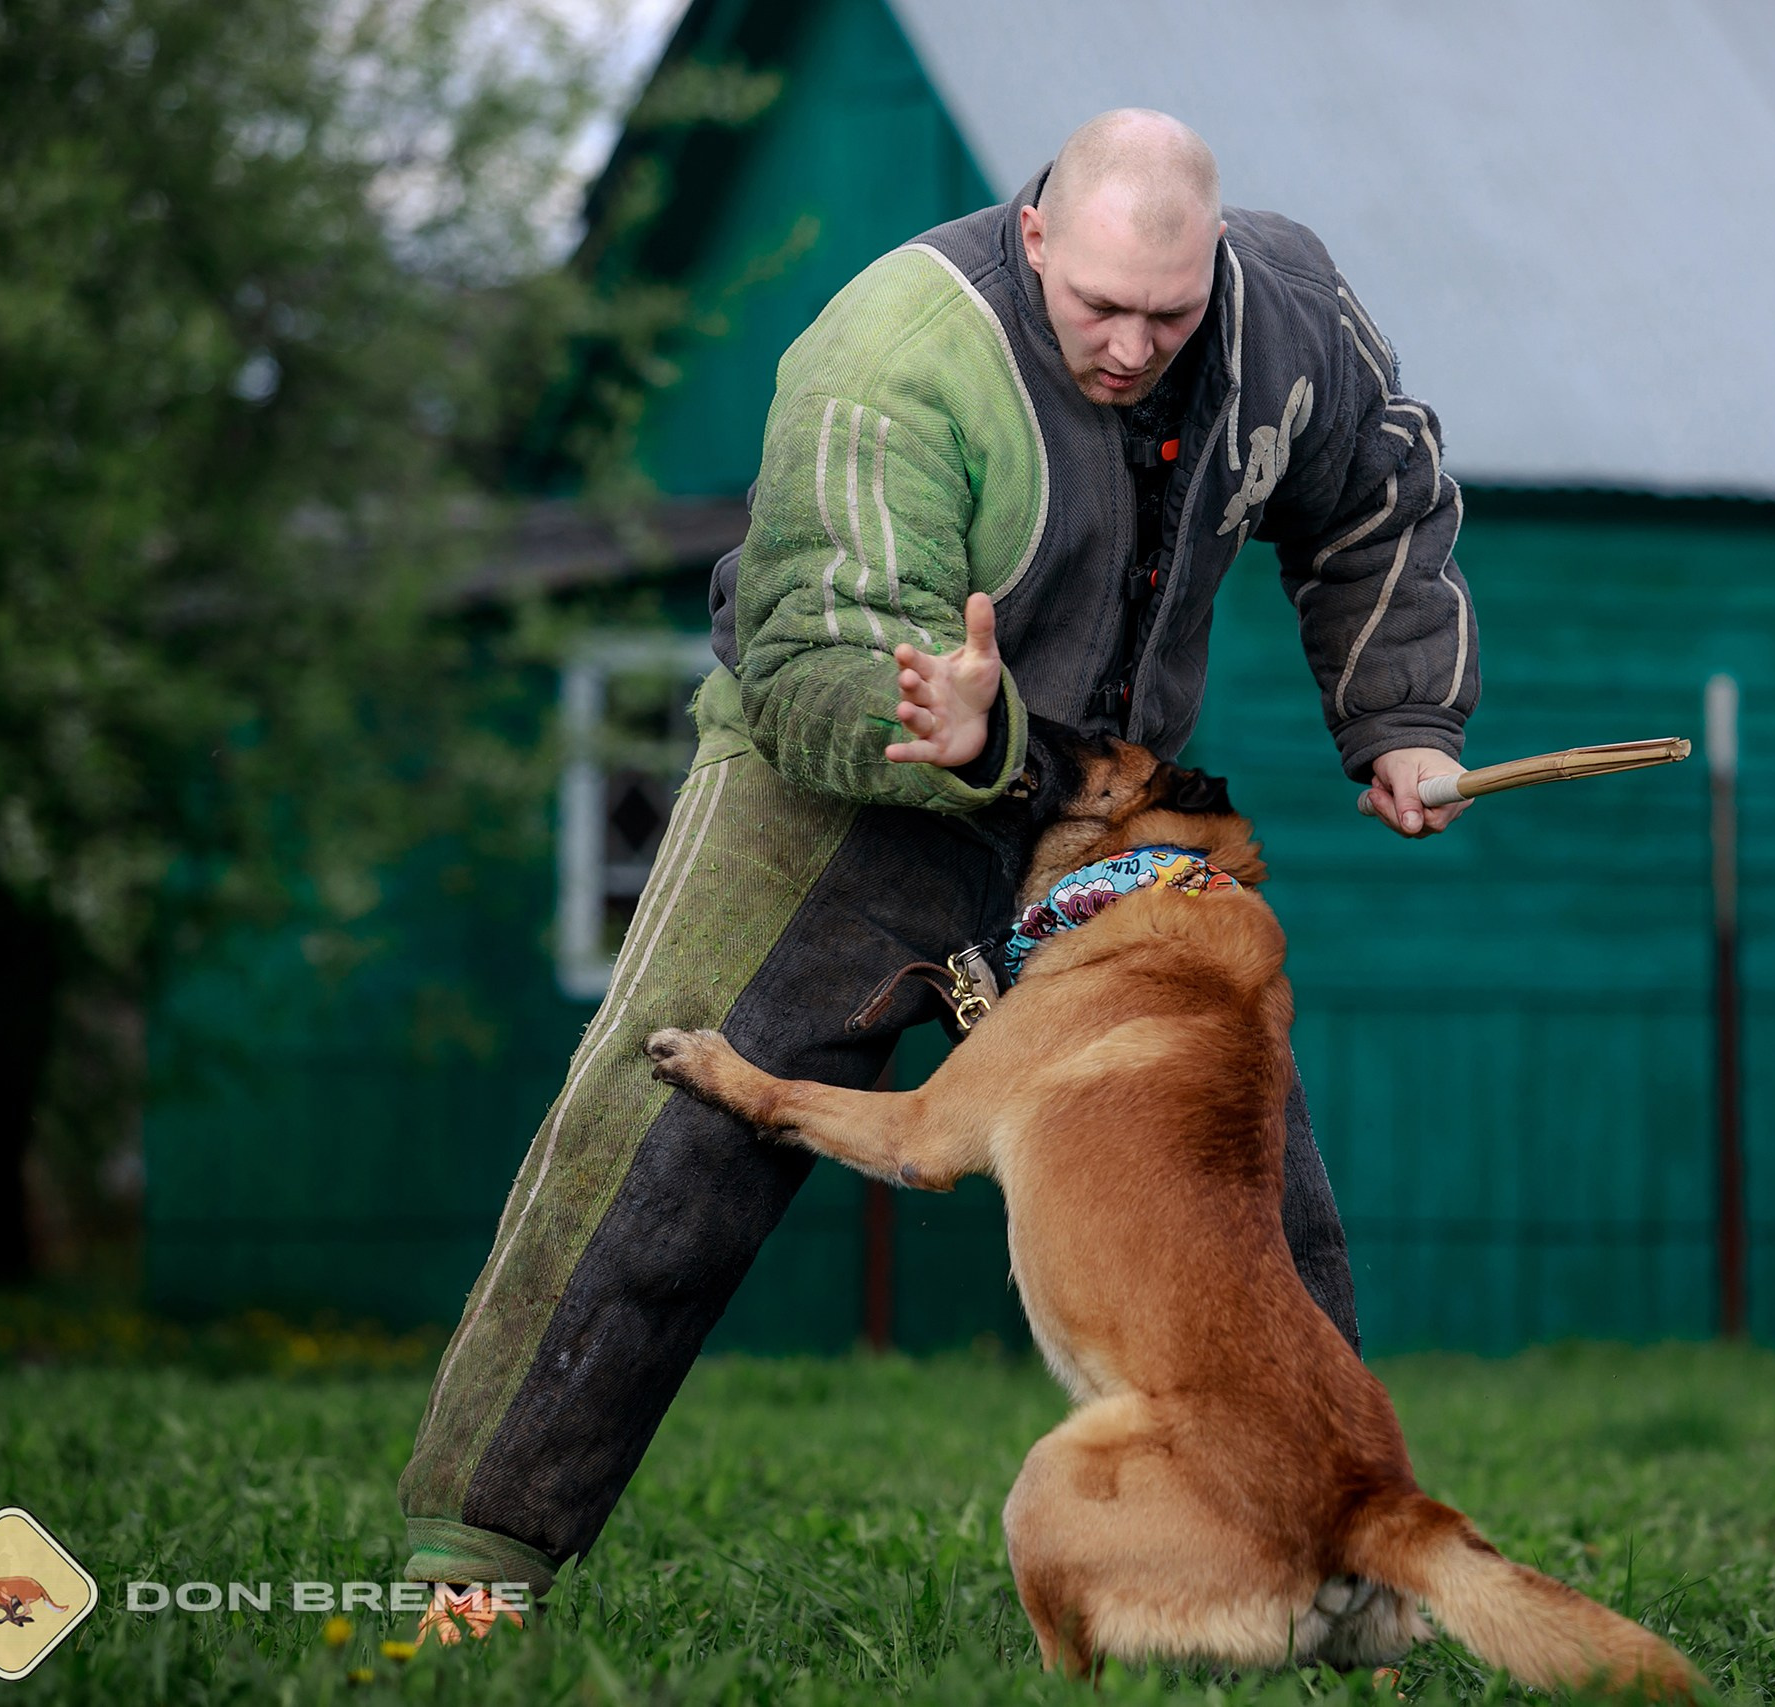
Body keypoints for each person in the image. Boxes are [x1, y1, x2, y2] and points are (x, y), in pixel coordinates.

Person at [393, 109, 1481, 1625]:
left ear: (1216, 267)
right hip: (847, 788)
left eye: (1169, 316)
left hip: (1105, 820)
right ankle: (474, 1565)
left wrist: (1401, 717)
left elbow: (1380, 493)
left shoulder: (1284, 317)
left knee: (1245, 1203)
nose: (1131, 347)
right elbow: (805, 645)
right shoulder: (894, 352)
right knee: (662, 1150)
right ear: (1036, 230)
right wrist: (945, 715)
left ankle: (1346, 1575)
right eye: (1100, 306)